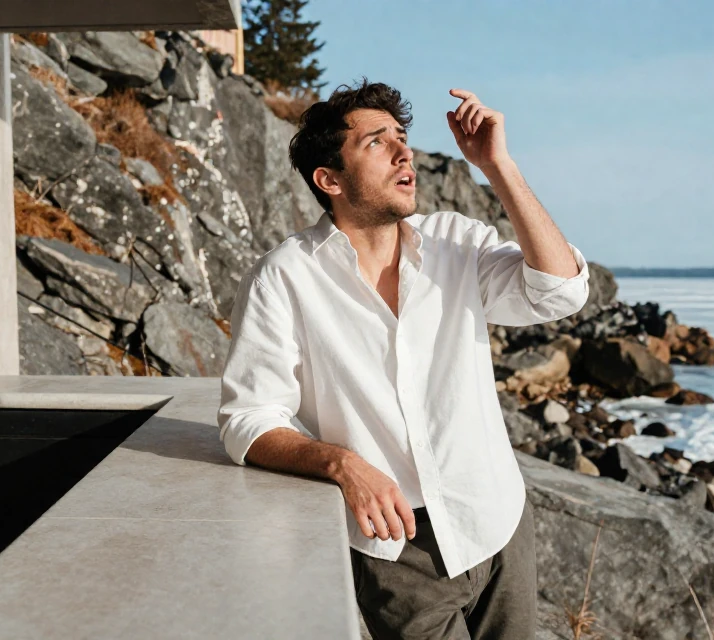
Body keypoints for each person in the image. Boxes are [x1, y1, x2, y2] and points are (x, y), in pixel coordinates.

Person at [217, 79, 591, 640]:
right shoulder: (285, 277)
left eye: (402, 136)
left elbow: (560, 291)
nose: (403, 151)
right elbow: (248, 419)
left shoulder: (455, 244)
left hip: (496, 521)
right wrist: (343, 465)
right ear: (330, 179)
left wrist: (498, 165)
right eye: (376, 142)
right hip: (395, 549)